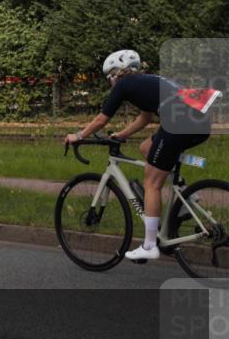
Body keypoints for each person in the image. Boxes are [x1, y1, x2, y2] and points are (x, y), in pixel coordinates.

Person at [64, 49, 212, 260]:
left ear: (116, 73)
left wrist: (78, 135)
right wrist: (122, 134)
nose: (111, 80)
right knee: (146, 148)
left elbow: (101, 119)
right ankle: (185, 200)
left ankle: (149, 246)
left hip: (178, 123)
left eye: (110, 76)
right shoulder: (147, 81)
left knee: (151, 183)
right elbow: (145, 118)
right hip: (200, 122)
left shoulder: (123, 84)